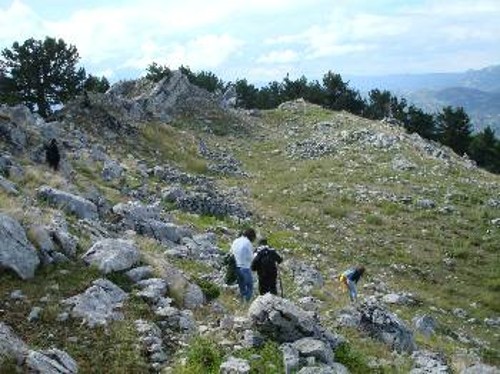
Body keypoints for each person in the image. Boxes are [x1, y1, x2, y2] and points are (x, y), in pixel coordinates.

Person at [231, 228, 256, 302]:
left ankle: (241, 301)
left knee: (241, 286)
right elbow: (251, 257)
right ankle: (246, 303)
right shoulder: (248, 243)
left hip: (235, 267)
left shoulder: (236, 241)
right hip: (244, 267)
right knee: (249, 286)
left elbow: (231, 252)